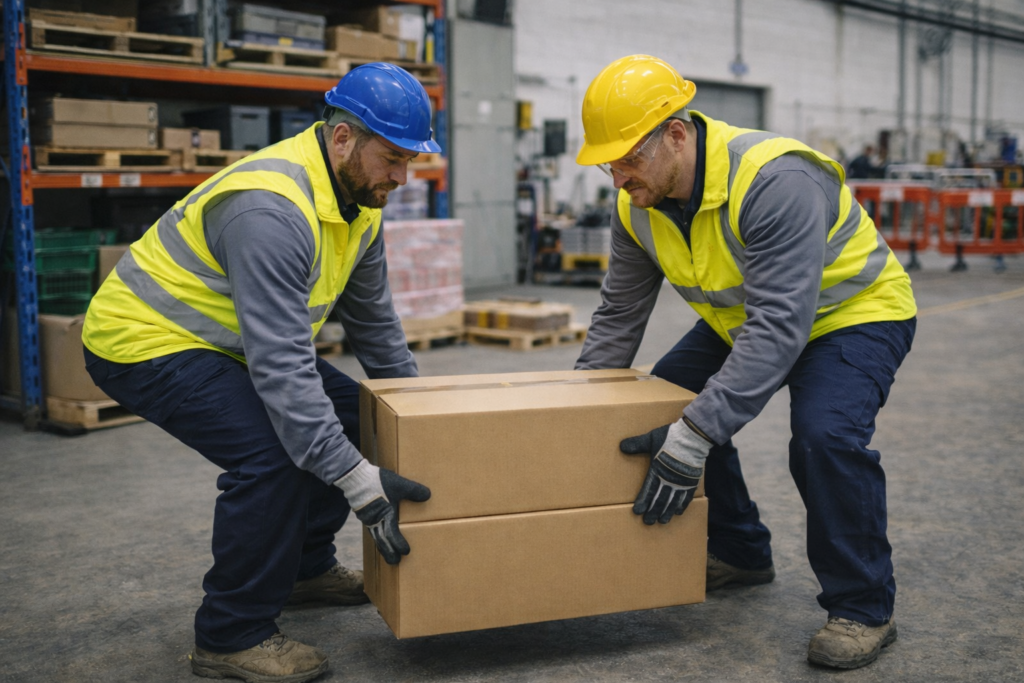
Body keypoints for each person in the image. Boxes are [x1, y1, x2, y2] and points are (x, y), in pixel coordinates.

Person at [81, 63, 438, 683]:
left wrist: (425, 421)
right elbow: (282, 367)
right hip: (143, 340)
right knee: (274, 454)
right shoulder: (269, 211)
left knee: (359, 417)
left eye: (410, 161)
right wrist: (355, 481)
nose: (402, 179)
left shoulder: (361, 200)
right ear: (343, 139)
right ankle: (231, 634)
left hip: (230, 343)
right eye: (392, 159)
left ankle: (304, 569)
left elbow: (376, 329)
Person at [574, 55, 917, 670]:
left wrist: (695, 437)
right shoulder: (636, 208)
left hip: (851, 313)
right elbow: (617, 320)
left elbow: (781, 327)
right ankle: (740, 551)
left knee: (823, 434)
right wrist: (572, 412)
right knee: (669, 394)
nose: (619, 176)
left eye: (630, 157)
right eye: (609, 161)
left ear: (676, 134)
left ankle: (863, 606)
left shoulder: (775, 178)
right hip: (747, 322)